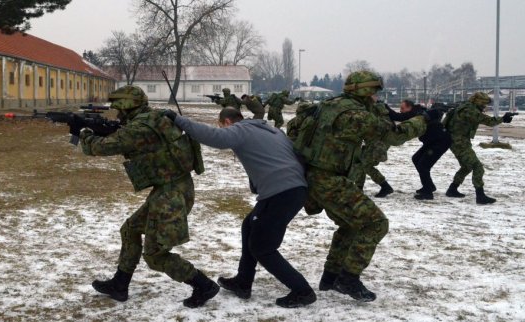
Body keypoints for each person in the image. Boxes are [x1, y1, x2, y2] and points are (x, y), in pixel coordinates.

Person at [79, 85, 219, 308]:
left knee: (155, 256)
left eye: (119, 109)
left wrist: (84, 134)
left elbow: (101, 148)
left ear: (126, 106)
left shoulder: (139, 128)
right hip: (173, 188)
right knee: (130, 229)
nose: (117, 113)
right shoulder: (154, 117)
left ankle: (203, 285)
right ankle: (120, 285)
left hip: (170, 195)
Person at [292, 71, 427, 302]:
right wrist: (423, 120)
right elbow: (393, 135)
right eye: (374, 92)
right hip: (329, 180)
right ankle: (348, 279)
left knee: (350, 225)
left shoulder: (331, 104)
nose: (376, 97)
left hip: (315, 176)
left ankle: (331, 277)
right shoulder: (355, 115)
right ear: (364, 91)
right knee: (376, 224)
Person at [163, 106, 316, 308]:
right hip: (292, 189)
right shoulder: (270, 129)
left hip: (282, 192)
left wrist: (178, 119)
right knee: (249, 226)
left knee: (263, 248)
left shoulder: (240, 130)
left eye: (222, 125)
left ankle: (302, 291)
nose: (223, 128)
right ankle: (243, 283)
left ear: (227, 122)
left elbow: (214, 137)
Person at [443, 92, 514, 204]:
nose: (484, 107)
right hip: (459, 142)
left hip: (458, 141)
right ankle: (480, 196)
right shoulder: (469, 110)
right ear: (478, 101)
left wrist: (503, 119)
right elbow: (488, 121)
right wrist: (503, 118)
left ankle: (452, 189)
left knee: (467, 166)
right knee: (477, 167)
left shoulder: (466, 106)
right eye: (484, 104)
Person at [395, 100, 452, 200]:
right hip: (432, 141)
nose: (401, 111)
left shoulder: (416, 114)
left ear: (410, 107)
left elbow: (398, 117)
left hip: (440, 141)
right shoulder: (417, 113)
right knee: (416, 158)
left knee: (423, 165)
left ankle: (428, 193)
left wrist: (384, 107)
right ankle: (429, 186)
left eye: (403, 108)